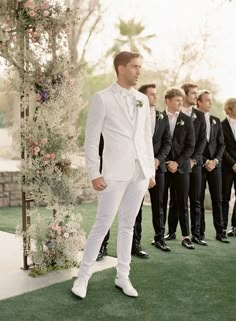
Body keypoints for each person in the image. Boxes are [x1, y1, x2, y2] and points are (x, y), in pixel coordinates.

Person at [71, 51, 156, 299]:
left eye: (140, 67)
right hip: (113, 173)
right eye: (135, 67)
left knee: (128, 226)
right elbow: (91, 139)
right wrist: (93, 173)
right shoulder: (102, 98)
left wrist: (149, 170)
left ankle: (123, 276)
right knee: (102, 224)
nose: (139, 71)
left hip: (139, 173)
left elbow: (144, 138)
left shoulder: (141, 99)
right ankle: (82, 277)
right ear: (121, 68)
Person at [165, 83, 207, 246]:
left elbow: (197, 142)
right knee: (170, 201)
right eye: (193, 93)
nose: (196, 96)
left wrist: (189, 160)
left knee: (189, 200)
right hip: (166, 165)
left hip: (187, 164)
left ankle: (191, 235)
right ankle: (167, 233)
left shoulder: (193, 118)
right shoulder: (163, 117)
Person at [132, 84, 172, 255]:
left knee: (160, 204)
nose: (156, 97)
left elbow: (167, 141)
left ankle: (160, 238)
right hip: (138, 167)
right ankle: (135, 243)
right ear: (142, 96)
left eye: (157, 94)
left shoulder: (162, 117)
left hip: (158, 167)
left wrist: (158, 160)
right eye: (152, 94)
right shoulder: (134, 114)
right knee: (136, 206)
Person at [162, 87, 195, 249]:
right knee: (162, 202)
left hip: (182, 168)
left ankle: (186, 236)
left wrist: (177, 162)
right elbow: (156, 143)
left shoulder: (187, 120)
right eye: (177, 100)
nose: (180, 103)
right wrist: (166, 162)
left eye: (181, 100)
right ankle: (160, 236)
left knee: (182, 202)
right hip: (163, 166)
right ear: (167, 101)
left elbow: (190, 146)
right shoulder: (158, 118)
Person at [197, 90, 229, 243]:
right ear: (199, 102)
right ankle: (200, 234)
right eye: (207, 100)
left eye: (211, 100)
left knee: (218, 198)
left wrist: (215, 160)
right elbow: (193, 145)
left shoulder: (216, 120)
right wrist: (204, 161)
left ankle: (220, 232)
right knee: (199, 199)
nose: (210, 103)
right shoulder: (193, 120)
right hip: (200, 165)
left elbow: (222, 144)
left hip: (215, 166)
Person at [221, 98, 236, 237]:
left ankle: (235, 226)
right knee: (224, 197)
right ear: (229, 109)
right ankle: (223, 228)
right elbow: (222, 147)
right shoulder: (220, 125)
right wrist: (233, 164)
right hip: (226, 167)